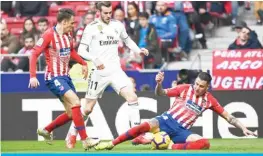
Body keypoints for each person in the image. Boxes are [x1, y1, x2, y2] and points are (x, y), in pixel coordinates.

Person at [94, 72, 257, 150]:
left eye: (202, 86)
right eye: (197, 84)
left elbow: (229, 117)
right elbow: (161, 93)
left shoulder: (210, 100)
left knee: (205, 144)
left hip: (181, 131)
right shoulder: (185, 88)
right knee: (144, 125)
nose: (198, 88)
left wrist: (243, 128)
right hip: (166, 120)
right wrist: (158, 83)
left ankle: (168, 145)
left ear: (207, 87)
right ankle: (111, 144)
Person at [65, 1, 149, 149]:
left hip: (116, 70)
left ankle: (138, 135)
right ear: (99, 12)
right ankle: (72, 133)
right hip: (99, 73)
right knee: (88, 108)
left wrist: (138, 50)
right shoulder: (91, 28)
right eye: (105, 13)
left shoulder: (117, 25)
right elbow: (81, 51)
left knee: (133, 97)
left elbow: (127, 40)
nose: (108, 15)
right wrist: (95, 60)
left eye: (110, 12)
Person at [28, 8, 100, 150]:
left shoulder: (68, 35)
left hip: (66, 76)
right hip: (53, 77)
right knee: (76, 101)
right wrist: (32, 76)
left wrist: (83, 62)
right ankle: (85, 140)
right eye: (72, 23)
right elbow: (34, 54)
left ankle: (46, 130)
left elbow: (71, 51)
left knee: (71, 113)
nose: (73, 26)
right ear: (64, 22)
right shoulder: (49, 35)